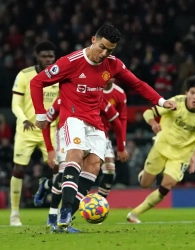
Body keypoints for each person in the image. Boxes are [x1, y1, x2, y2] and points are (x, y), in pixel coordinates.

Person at [30, 23, 176, 230]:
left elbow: (137, 84)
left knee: (94, 166)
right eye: (102, 47)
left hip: (95, 122)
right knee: (76, 155)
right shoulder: (70, 62)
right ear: (93, 40)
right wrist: (41, 114)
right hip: (72, 118)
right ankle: (64, 210)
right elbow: (37, 82)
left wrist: (161, 101)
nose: (104, 53)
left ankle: (66, 219)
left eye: (110, 50)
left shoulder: (113, 64)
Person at [127, 75, 195, 223]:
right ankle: (145, 174)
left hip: (182, 155)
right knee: (145, 184)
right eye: (192, 93)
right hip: (161, 146)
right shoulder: (175, 102)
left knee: (167, 185)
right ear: (186, 93)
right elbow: (148, 112)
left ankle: (134, 213)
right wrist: (153, 123)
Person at [35, 96, 126, 232]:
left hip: (93, 136)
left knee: (84, 175)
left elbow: (116, 120)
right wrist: (49, 149)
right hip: (66, 134)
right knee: (64, 172)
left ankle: (60, 209)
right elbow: (47, 121)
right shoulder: (63, 99)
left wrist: (121, 146)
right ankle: (52, 217)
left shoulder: (98, 98)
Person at [10, 41, 58, 226]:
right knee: (19, 169)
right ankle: (14, 214)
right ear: (36, 56)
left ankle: (54, 212)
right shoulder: (24, 75)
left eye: (51, 56)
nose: (48, 59)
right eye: (44, 56)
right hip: (27, 130)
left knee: (58, 171)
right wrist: (24, 119)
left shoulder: (59, 76)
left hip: (51, 130)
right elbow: (15, 104)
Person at [98, 78, 127, 198]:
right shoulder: (92, 88)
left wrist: (122, 146)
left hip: (103, 136)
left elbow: (122, 119)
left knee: (109, 172)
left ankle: (98, 204)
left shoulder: (119, 94)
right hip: (83, 135)